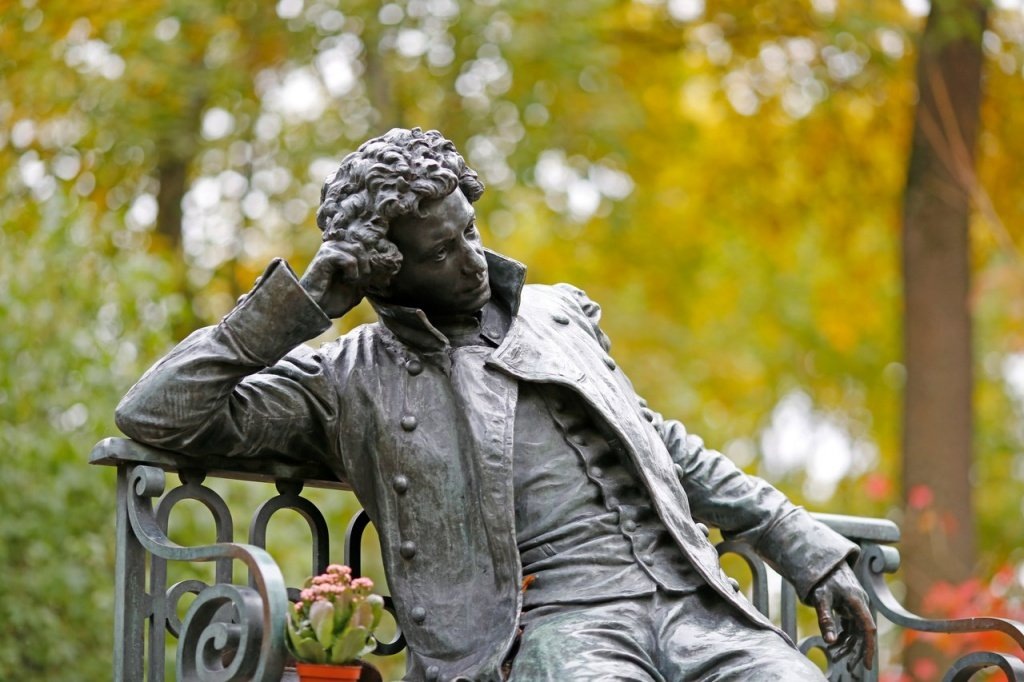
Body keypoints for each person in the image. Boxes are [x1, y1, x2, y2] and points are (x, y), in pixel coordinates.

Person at [117, 127, 875, 681]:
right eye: (440, 252)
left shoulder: (561, 314)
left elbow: (663, 445)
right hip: (564, 629)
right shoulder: (346, 378)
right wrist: (294, 307)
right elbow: (155, 411)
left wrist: (804, 548)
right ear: (385, 273)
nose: (472, 259)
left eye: (470, 231)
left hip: (696, 605)